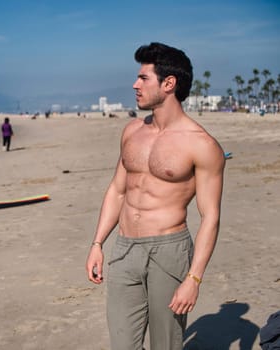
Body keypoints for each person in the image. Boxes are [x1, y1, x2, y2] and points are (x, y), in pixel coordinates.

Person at [85, 42, 225, 350]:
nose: (135, 85)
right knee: (123, 344)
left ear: (169, 83)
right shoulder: (132, 131)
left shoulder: (201, 145)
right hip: (124, 249)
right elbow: (117, 189)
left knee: (166, 344)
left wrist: (194, 279)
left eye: (143, 78)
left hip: (168, 252)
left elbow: (210, 217)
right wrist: (97, 243)